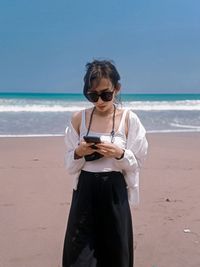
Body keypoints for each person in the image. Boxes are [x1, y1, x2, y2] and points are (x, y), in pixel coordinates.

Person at [62, 59, 148, 267]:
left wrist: (120, 153)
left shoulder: (129, 119)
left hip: (114, 192)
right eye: (93, 95)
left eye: (106, 94)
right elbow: (69, 166)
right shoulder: (78, 119)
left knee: (115, 256)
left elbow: (137, 162)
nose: (100, 101)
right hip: (85, 191)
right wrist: (79, 152)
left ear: (117, 89)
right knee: (78, 258)